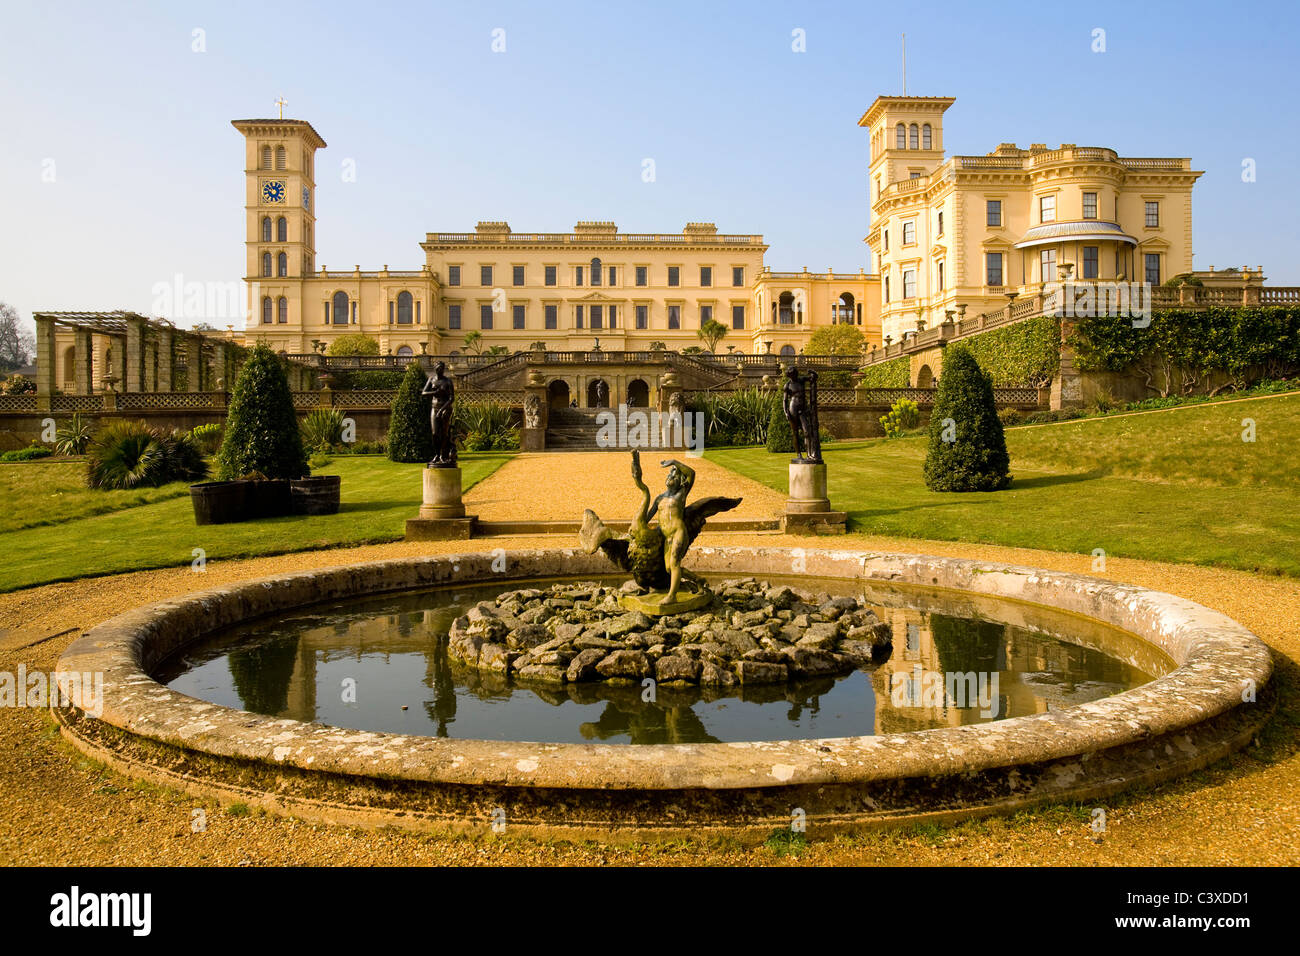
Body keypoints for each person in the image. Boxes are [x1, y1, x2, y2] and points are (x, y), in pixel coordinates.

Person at [421, 361, 457, 467]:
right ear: (435, 369)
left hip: (445, 408)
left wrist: (442, 410)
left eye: (441, 368)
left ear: (443, 369)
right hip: (434, 407)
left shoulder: (448, 381)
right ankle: (437, 455)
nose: (439, 370)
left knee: (444, 433)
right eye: (438, 368)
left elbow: (451, 398)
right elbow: (423, 393)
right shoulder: (431, 380)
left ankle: (443, 455)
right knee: (435, 433)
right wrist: (435, 393)